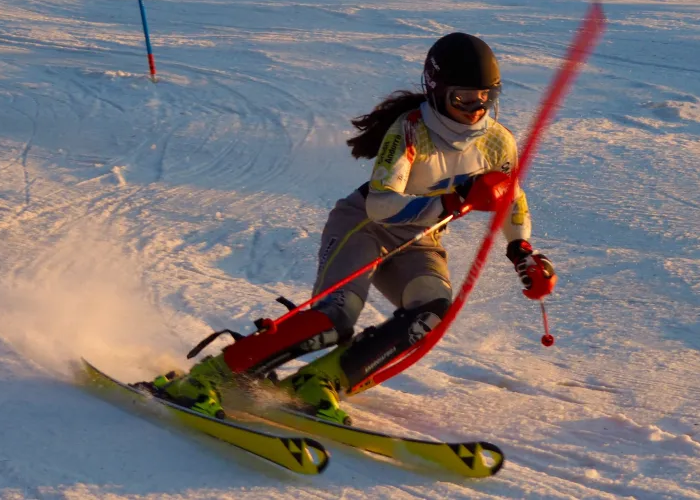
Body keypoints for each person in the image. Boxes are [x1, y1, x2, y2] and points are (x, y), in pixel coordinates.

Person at [137, 33, 556, 424]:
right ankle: (208, 376)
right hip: (364, 226)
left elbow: (512, 198)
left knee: (431, 309)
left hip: (419, 238)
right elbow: (381, 205)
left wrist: (521, 251)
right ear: (436, 89)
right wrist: (452, 200)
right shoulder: (411, 130)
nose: (476, 108)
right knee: (335, 318)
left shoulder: (497, 142)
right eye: (463, 98)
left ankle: (321, 380)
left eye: (486, 97)